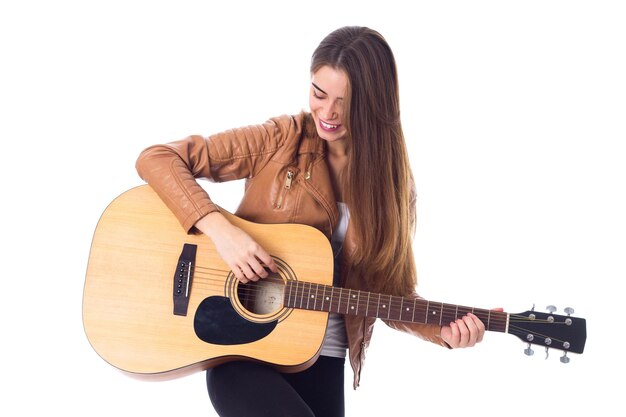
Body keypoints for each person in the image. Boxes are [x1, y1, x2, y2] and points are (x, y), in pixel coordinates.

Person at [136, 26, 489, 417]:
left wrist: (440, 330)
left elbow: (390, 293)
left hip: (324, 358)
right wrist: (222, 232)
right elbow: (158, 158)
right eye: (319, 94)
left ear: (374, 104)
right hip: (241, 347)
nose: (328, 112)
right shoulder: (280, 140)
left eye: (345, 102)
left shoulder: (394, 190)